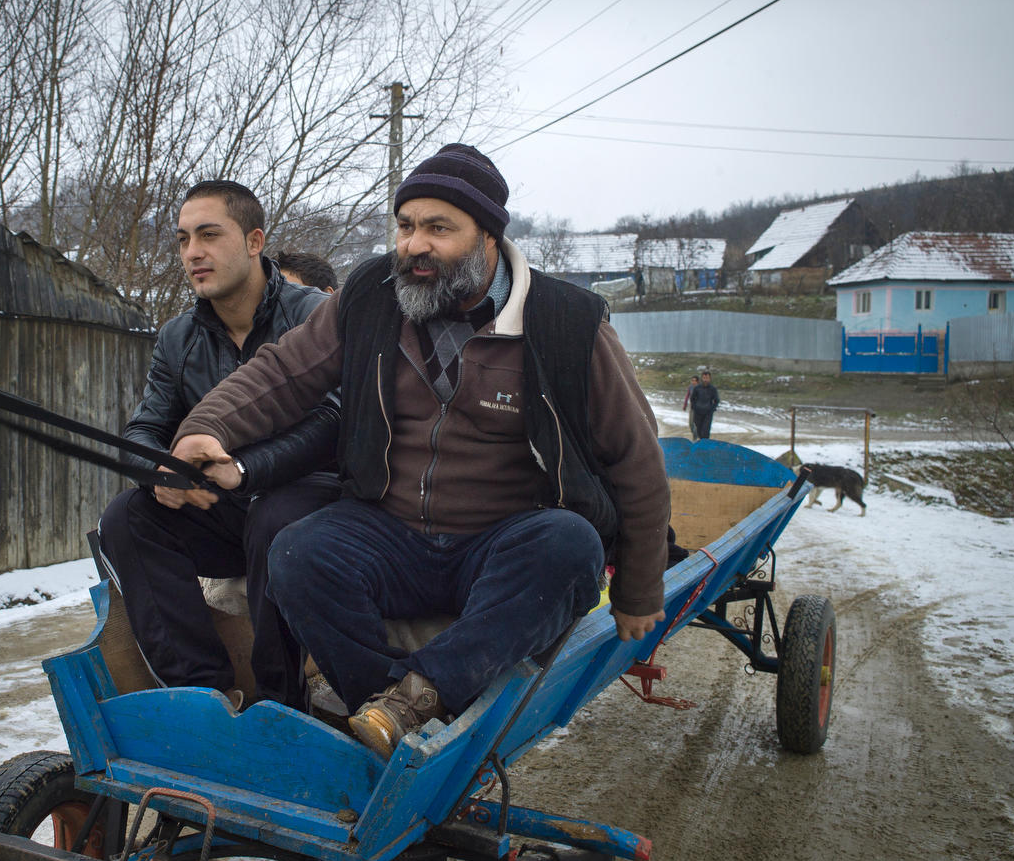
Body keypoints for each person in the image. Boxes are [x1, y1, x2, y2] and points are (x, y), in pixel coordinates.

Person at [168, 144, 671, 757]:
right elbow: (285, 371)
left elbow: (636, 459)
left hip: (502, 540)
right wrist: (208, 427)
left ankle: (416, 699)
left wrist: (640, 591)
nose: (414, 245)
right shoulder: (374, 295)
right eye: (406, 226)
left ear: (488, 237)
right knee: (296, 549)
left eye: (439, 228)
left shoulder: (568, 322)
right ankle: (389, 709)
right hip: (391, 531)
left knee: (571, 546)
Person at [95, 181, 339, 711]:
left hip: (316, 499)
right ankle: (203, 692)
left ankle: (280, 703)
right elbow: (144, 430)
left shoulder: (314, 314)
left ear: (255, 241)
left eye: (209, 235)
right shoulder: (177, 337)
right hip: (227, 508)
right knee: (128, 517)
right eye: (183, 240)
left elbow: (333, 420)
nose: (192, 253)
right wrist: (160, 475)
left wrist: (246, 469)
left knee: (275, 518)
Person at [690, 369, 719, 440]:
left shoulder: (713, 389)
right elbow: (692, 398)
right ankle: (700, 445)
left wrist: (711, 409)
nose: (705, 380)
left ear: (710, 379)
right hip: (698, 413)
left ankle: (705, 447)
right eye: (704, 378)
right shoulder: (697, 388)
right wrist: (694, 407)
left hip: (707, 414)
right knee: (699, 431)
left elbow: (716, 400)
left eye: (707, 378)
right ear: (702, 378)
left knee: (705, 432)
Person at [682, 374, 699, 438]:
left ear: (697, 382)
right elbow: (687, 396)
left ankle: (695, 438)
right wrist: (685, 405)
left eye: (695, 381)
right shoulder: (690, 387)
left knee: (696, 424)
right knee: (691, 424)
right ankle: (695, 435)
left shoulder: (700, 388)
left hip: (698, 409)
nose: (693, 382)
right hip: (692, 408)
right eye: (692, 380)